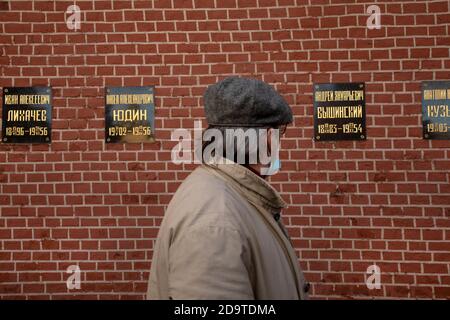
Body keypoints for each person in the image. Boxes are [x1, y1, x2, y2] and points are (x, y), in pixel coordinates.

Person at [147, 76, 310, 299]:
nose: (279, 143)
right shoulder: (215, 220)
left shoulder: (231, 196)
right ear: (265, 140)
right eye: (278, 133)